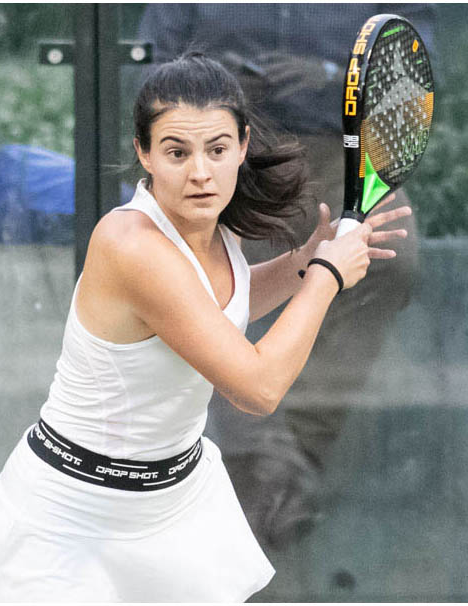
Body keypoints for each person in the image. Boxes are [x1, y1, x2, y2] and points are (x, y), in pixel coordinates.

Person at [0, 53, 411, 602]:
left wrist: (303, 262)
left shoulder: (216, 226)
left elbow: (214, 311)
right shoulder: (131, 244)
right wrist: (327, 276)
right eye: (176, 152)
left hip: (175, 503)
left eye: (217, 149)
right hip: (75, 515)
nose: (200, 172)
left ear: (242, 146)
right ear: (143, 153)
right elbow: (258, 389)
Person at [137, 3, 437, 550]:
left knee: (392, 261)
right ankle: (268, 469)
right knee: (195, 281)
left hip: (342, 150)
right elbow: (147, 64)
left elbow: (414, 67)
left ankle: (285, 460)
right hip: (226, 149)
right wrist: (219, 90)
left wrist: (330, 77)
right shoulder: (134, 230)